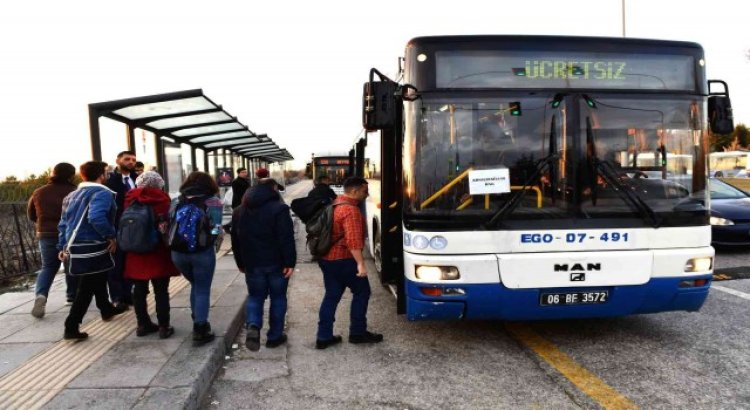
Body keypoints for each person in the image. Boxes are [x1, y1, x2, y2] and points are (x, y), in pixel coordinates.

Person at [58, 161, 127, 340]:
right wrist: (111, 236)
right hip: (93, 245)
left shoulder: (71, 195)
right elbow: (96, 217)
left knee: (98, 276)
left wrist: (62, 246)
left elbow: (63, 223)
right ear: (101, 175)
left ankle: (106, 308)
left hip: (75, 247)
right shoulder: (102, 193)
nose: (108, 175)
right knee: (86, 288)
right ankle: (71, 326)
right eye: (107, 172)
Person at [315, 176, 382, 349]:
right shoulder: (350, 210)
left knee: (331, 296)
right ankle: (358, 333)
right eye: (365, 191)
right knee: (362, 292)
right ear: (354, 190)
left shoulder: (335, 204)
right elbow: (353, 241)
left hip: (328, 259)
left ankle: (323, 336)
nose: (367, 195)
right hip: (344, 260)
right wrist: (360, 264)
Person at [231, 178, 296, 351]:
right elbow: (286, 238)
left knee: (255, 296)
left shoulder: (239, 211)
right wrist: (290, 262)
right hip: (277, 263)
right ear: (273, 189)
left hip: (252, 264)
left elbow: (235, 240)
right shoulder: (279, 209)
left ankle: (253, 326)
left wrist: (240, 262)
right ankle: (274, 337)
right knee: (278, 297)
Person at [122, 171, 180, 339]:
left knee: (139, 291)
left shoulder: (130, 198)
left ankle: (142, 324)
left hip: (135, 251)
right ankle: (164, 326)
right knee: (161, 290)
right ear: (157, 184)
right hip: (157, 251)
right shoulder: (162, 199)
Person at [170, 171, 223, 346]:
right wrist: (213, 243)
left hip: (178, 252)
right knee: (202, 288)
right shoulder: (213, 201)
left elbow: (169, 223)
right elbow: (216, 228)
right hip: (202, 252)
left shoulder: (177, 200)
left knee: (195, 284)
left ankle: (197, 315)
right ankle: (200, 328)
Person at [28, 162, 79, 318]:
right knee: (71, 264)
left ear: (53, 173)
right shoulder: (75, 191)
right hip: (70, 234)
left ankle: (41, 295)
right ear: (71, 175)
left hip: (46, 233)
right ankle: (71, 297)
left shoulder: (39, 192)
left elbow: (31, 215)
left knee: (48, 266)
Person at [104, 150, 138, 309]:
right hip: (117, 226)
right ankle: (117, 297)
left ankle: (127, 293)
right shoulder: (110, 181)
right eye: (127, 159)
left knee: (130, 262)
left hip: (134, 227)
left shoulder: (136, 179)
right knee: (116, 263)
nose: (131, 162)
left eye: (133, 160)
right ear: (118, 161)